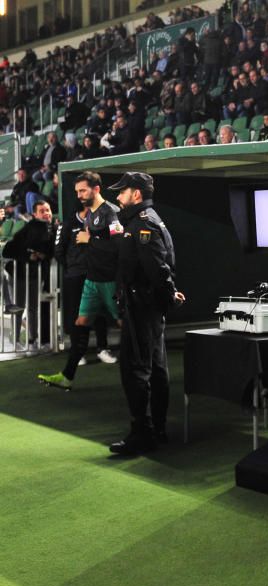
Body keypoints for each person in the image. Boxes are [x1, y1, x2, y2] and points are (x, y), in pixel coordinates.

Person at [107, 172, 184, 455]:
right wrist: (169, 295)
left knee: (135, 370)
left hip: (143, 307)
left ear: (136, 194)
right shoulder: (147, 219)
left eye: (122, 192)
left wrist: (168, 296)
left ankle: (143, 434)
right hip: (146, 305)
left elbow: (157, 269)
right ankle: (156, 430)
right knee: (155, 368)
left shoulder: (143, 224)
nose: (118, 197)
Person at [37, 180, 121, 391]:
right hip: (90, 280)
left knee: (124, 322)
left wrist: (89, 239)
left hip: (109, 280)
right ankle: (67, 376)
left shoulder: (111, 212)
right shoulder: (89, 215)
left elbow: (117, 245)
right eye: (77, 191)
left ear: (96, 189)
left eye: (83, 190)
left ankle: (140, 363)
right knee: (81, 321)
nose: (79, 195)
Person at [1, 199, 54, 354]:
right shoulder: (28, 228)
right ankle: (17, 340)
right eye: (42, 211)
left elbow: (49, 252)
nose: (46, 213)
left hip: (36, 275)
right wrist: (28, 255)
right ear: (34, 214)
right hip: (19, 274)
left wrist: (41, 255)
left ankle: (33, 340)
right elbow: (8, 250)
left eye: (48, 210)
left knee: (33, 308)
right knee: (19, 307)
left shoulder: (53, 227)